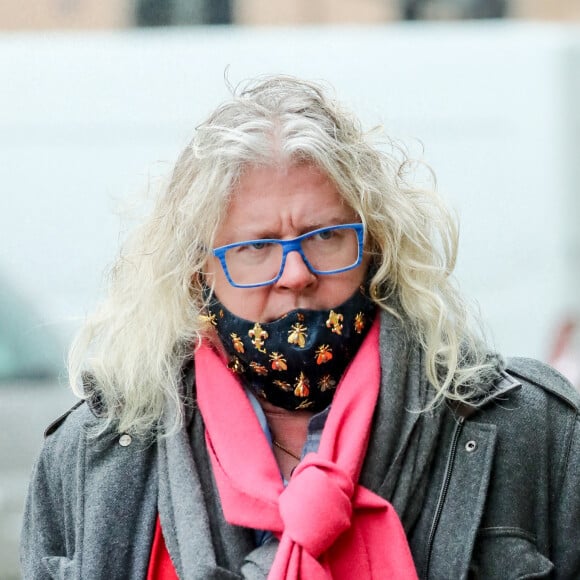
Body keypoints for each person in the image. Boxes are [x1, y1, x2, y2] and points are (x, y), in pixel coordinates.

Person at [21, 76, 579, 579]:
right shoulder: (90, 457)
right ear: (198, 274)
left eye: (325, 236)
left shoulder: (532, 429)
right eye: (256, 247)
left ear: (376, 247)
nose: (296, 274)